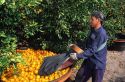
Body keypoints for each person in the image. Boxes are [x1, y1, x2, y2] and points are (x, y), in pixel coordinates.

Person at [70, 11, 108, 82]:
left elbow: (92, 50)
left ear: (98, 20)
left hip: (97, 64)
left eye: (92, 19)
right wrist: (75, 46)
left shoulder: (101, 34)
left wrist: (77, 56)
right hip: (89, 60)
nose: (90, 21)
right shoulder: (93, 29)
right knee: (79, 78)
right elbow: (88, 43)